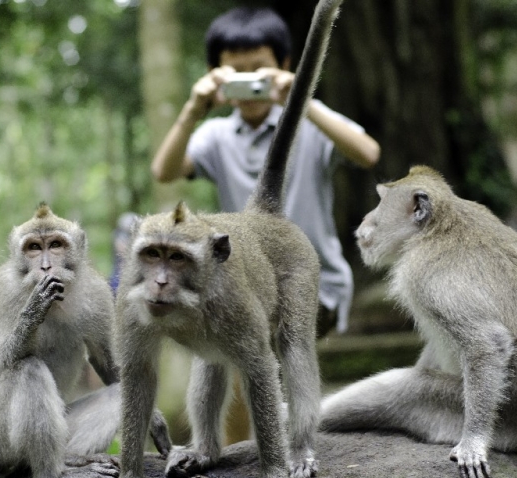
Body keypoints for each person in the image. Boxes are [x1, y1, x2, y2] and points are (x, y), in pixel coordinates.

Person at [151, 7, 380, 337]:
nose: (250, 83)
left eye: (259, 71)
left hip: (315, 286)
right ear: (214, 75)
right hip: (248, 289)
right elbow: (164, 171)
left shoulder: (311, 123)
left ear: (283, 66)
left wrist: (301, 98)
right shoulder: (216, 136)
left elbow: (368, 154)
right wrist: (193, 109)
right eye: (236, 74)